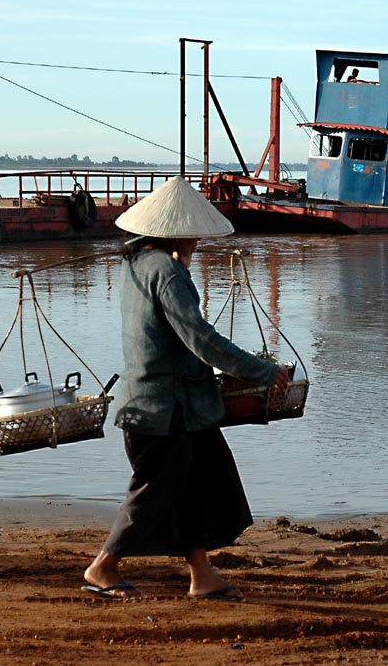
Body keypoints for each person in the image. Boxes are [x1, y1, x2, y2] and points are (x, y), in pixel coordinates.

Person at [83, 176, 291, 602]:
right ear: (178, 232)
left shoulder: (139, 264)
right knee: (155, 489)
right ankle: (103, 566)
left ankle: (201, 574)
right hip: (163, 410)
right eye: (192, 232)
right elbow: (201, 339)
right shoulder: (167, 272)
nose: (197, 239)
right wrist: (261, 371)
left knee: (199, 481)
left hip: (177, 406)